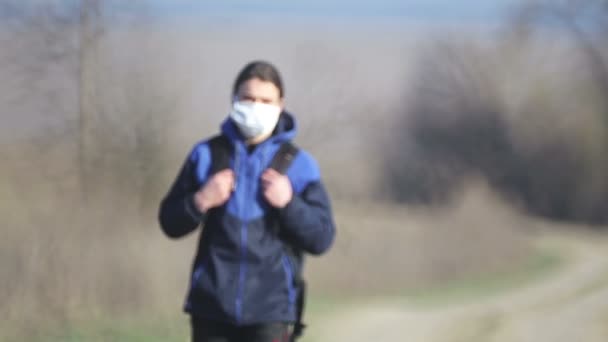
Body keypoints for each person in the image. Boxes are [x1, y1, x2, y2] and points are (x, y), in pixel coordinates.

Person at [158, 61, 336, 342]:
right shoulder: (206, 154)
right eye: (248, 99)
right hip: (210, 308)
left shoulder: (299, 165)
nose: (256, 107)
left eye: (266, 101)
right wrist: (202, 199)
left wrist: (288, 204)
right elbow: (169, 222)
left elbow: (322, 238)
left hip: (272, 311)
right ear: (234, 100)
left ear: (281, 105)